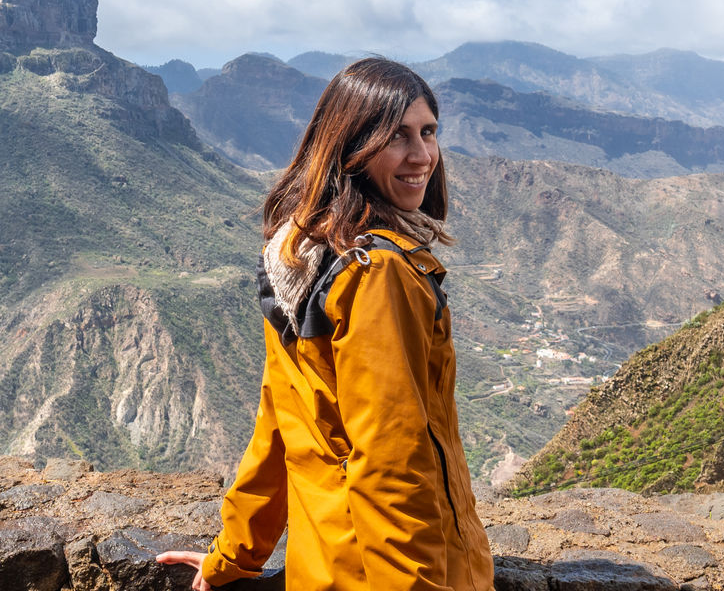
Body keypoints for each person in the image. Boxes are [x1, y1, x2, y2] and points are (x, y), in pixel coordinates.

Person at [157, 57, 494, 590]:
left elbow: (278, 432)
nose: (423, 155)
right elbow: (391, 465)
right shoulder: (378, 272)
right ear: (352, 146)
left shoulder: (298, 253)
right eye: (398, 136)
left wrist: (234, 558)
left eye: (428, 132)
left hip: (324, 570)